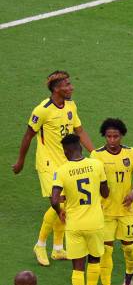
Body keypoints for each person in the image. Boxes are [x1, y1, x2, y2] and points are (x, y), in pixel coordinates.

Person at [12, 70, 95, 267]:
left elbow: (79, 131)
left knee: (65, 204)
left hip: (66, 163)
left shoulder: (71, 105)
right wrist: (20, 161)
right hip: (48, 163)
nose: (71, 87)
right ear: (56, 89)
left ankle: (57, 249)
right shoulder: (42, 110)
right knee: (58, 203)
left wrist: (95, 153)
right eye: (67, 85)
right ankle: (40, 245)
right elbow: (28, 136)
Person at [51, 134, 108, 285]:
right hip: (95, 223)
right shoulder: (96, 165)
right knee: (94, 260)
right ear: (80, 148)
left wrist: (60, 211)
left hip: (73, 225)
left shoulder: (62, 170)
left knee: (77, 267)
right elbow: (105, 192)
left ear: (66, 151)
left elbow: (54, 199)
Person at [91, 119, 133, 285]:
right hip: (105, 212)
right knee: (106, 251)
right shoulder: (96, 156)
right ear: (104, 136)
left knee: (128, 247)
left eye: (116, 136)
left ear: (122, 136)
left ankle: (129, 274)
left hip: (127, 210)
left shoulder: (131, 153)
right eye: (109, 136)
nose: (112, 140)